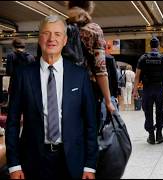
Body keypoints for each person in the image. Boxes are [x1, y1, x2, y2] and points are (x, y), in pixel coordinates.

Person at [5, 15, 97, 179]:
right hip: (33, 161)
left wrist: (90, 165)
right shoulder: (22, 75)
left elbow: (90, 123)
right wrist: (14, 165)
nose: (51, 39)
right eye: (46, 33)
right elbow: (12, 123)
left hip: (73, 160)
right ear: (39, 38)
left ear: (65, 40)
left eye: (57, 34)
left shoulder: (80, 76)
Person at [66, 0, 115, 124]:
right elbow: (100, 69)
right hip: (87, 90)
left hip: (63, 89)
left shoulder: (60, 29)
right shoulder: (93, 30)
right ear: (89, 8)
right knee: (90, 132)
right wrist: (108, 101)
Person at [133, 36, 163, 145]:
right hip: (159, 88)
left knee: (148, 112)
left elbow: (137, 76)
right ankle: (159, 135)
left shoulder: (143, 58)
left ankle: (151, 136)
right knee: (160, 111)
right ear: (159, 46)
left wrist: (135, 90)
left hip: (147, 89)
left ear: (150, 46)